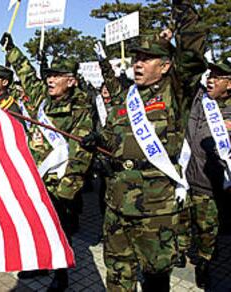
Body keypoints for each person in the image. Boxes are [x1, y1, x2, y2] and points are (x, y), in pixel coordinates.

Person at [81, 0, 206, 290]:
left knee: (156, 277)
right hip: (116, 204)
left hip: (155, 208)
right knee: (118, 275)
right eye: (136, 57)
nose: (137, 63)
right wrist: (98, 141)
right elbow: (113, 138)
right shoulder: (126, 98)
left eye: (146, 58)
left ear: (165, 66)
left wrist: (182, 9)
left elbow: (193, 51)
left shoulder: (176, 91)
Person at [0, 32, 93, 291]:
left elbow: (80, 157)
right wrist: (11, 48)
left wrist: (66, 193)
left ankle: (61, 276)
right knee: (36, 226)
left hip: (59, 186)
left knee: (60, 232)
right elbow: (26, 72)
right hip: (36, 179)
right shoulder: (42, 98)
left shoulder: (80, 110)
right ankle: (40, 263)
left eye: (57, 75)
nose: (50, 79)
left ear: (72, 81)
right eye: (49, 75)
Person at [185, 59, 231, 288]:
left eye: (217, 76)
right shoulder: (199, 99)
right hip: (185, 178)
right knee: (184, 222)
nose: (210, 80)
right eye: (209, 75)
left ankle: (204, 263)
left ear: (229, 84)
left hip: (210, 185)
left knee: (207, 228)